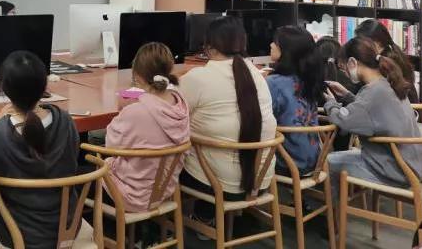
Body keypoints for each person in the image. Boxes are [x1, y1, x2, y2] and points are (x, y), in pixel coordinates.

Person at [0, 51, 79, 249]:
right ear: (45, 86)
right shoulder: (66, 122)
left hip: (20, 235)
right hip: (65, 229)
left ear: (4, 90)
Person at [179, 17, 277, 221]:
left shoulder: (198, 78)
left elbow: (170, 115)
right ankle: (206, 215)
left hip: (218, 184)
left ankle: (171, 223)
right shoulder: (258, 75)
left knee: (167, 155)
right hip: (260, 181)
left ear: (209, 47)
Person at [324, 37, 422, 198]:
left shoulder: (372, 93)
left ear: (352, 63)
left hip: (395, 171)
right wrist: (347, 95)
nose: (345, 73)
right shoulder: (386, 84)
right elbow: (371, 112)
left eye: (344, 68)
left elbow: (343, 120)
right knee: (343, 157)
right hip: (411, 165)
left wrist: (330, 103)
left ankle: (335, 212)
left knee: (328, 161)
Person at [104, 42, 190, 213]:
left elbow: (110, 146)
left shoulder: (136, 112)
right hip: (164, 190)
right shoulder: (180, 103)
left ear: (137, 75)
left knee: (86, 168)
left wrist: (126, 108)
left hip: (131, 195)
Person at [267, 26, 325, 175]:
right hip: (314, 158)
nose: (271, 45)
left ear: (287, 51)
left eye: (275, 43)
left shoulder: (274, 83)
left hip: (288, 162)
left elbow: (261, 118)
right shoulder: (308, 78)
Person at [355, 19, 419, 103]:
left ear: (378, 43)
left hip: (397, 107)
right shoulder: (394, 52)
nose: (358, 47)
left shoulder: (384, 62)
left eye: (361, 43)